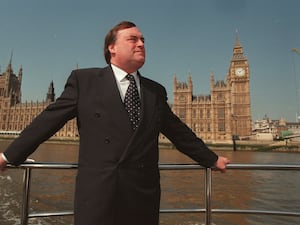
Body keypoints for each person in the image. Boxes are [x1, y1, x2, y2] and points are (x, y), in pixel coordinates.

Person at [0, 21, 230, 225]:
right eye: (133, 39)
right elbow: (48, 120)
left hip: (142, 198)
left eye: (143, 40)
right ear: (112, 47)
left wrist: (211, 159)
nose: (141, 43)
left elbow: (179, 132)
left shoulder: (155, 91)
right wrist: (8, 156)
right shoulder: (85, 81)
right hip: (99, 197)